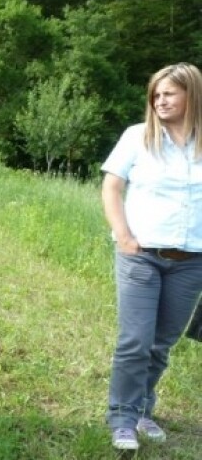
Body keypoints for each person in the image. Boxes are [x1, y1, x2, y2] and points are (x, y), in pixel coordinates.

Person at [100, 62, 202, 451]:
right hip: (141, 255)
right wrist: (124, 236)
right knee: (135, 341)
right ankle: (122, 419)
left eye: (169, 94)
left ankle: (144, 409)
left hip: (192, 260)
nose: (160, 101)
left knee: (162, 343)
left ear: (191, 95)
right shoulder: (137, 137)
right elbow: (112, 187)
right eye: (155, 95)